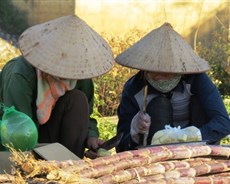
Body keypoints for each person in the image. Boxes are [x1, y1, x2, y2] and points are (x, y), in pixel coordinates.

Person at [0, 15, 114, 159]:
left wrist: (91, 137)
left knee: (78, 99)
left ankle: (71, 166)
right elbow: (15, 130)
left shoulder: (79, 74)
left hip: (53, 137)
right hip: (20, 139)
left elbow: (86, 116)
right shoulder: (19, 75)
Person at [115, 22, 230, 152]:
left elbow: (223, 123)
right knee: (160, 105)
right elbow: (121, 144)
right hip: (155, 151)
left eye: (168, 72)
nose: (162, 76)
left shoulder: (197, 80)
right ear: (145, 69)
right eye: (156, 71)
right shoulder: (133, 88)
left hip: (198, 147)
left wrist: (190, 137)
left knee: (199, 104)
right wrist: (134, 133)